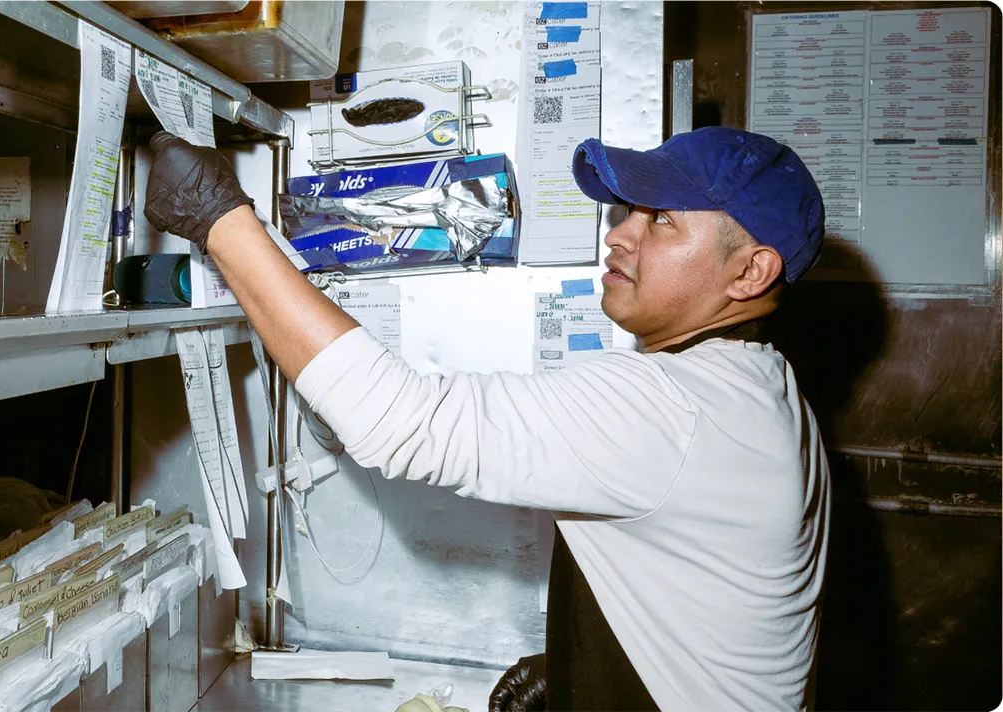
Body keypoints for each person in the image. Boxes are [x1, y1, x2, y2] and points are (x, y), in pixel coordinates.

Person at [143, 126, 829, 712]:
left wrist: (221, 220)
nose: (618, 235)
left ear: (749, 274)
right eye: (628, 211)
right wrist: (579, 672)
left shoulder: (679, 409)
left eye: (662, 220)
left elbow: (401, 424)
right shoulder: (764, 386)